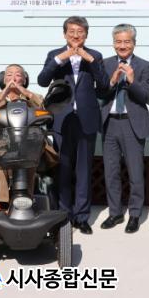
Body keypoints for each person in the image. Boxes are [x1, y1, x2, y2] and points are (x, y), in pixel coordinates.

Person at [37, 16, 109, 234]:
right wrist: (61, 58)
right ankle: (64, 214)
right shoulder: (55, 54)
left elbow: (104, 86)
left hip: (86, 118)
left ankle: (82, 216)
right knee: (63, 168)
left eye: (80, 32)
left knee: (84, 170)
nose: (76, 35)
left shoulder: (95, 55)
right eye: (72, 32)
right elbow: (42, 80)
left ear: (86, 34)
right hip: (62, 118)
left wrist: (90, 60)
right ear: (65, 34)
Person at [96, 24, 149, 234]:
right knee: (111, 172)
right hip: (110, 123)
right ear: (113, 43)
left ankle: (135, 214)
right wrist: (111, 81)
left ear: (134, 43)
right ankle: (115, 212)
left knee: (135, 172)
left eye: (127, 41)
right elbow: (99, 93)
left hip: (132, 123)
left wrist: (131, 80)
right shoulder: (104, 64)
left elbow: (147, 96)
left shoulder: (144, 66)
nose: (122, 46)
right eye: (118, 42)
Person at [0, 64, 48, 204]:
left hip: (27, 145)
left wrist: (25, 93)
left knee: (30, 159)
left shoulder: (33, 97)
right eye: (9, 75)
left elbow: (44, 109)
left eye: (18, 75)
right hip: (1, 144)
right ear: (4, 79)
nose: (13, 78)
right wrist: (2, 96)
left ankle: (27, 200)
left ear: (24, 80)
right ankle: (3, 202)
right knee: (1, 157)